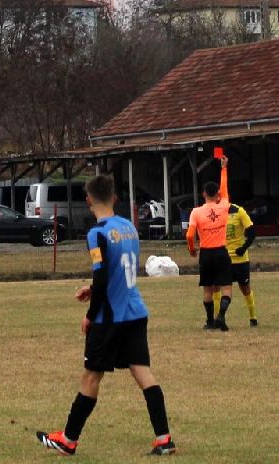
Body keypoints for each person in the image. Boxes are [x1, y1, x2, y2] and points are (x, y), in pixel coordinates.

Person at [37, 174, 175, 457]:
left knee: (91, 376)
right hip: (135, 312)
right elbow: (121, 271)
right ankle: (164, 439)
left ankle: (68, 440)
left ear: (88, 200)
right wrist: (93, 288)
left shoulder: (96, 234)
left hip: (110, 317)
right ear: (114, 197)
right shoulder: (129, 228)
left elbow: (102, 277)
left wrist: (90, 314)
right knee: (142, 372)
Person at [186, 180, 233, 331]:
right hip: (221, 251)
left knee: (207, 289)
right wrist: (224, 169)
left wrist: (192, 249)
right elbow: (225, 189)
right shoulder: (224, 206)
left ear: (204, 194)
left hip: (205, 253)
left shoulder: (196, 212)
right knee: (226, 287)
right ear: (218, 194)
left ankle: (210, 322)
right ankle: (221, 316)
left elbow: (189, 235)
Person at [216, 194, 257, 327]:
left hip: (240, 260)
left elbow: (252, 232)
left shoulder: (239, 211)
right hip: (225, 260)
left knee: (243, 288)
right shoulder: (215, 213)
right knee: (221, 288)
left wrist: (243, 248)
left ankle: (253, 318)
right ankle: (218, 318)